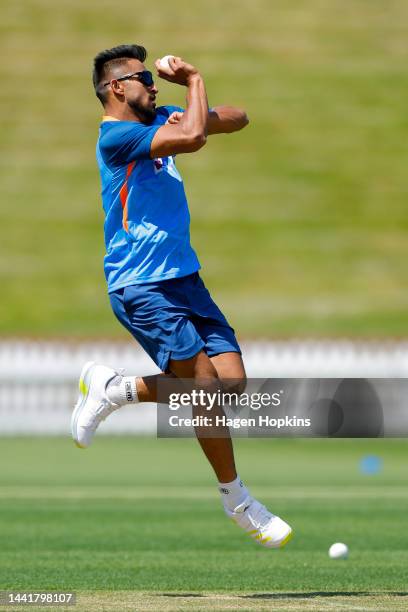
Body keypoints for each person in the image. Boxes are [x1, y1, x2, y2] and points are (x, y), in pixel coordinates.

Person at [71, 44, 292, 549]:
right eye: (142, 77)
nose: (152, 83)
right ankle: (237, 498)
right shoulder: (119, 136)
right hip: (140, 283)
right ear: (116, 88)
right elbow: (193, 136)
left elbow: (236, 119)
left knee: (230, 385)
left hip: (184, 278)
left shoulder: (163, 116)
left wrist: (194, 104)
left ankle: (118, 390)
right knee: (205, 387)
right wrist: (192, 79)